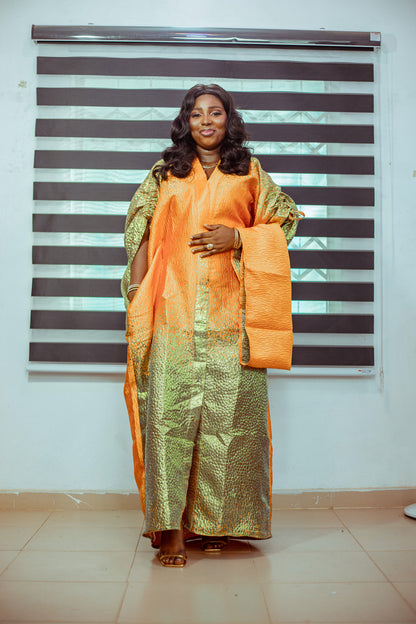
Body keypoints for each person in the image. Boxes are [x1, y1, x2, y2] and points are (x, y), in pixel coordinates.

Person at [121, 84, 303, 567]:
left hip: (231, 316)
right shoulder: (164, 174)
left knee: (229, 423)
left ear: (228, 120)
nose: (206, 121)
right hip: (173, 312)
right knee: (169, 421)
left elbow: (284, 221)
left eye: (216, 113)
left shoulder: (249, 172)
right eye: (197, 113)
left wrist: (238, 237)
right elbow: (140, 231)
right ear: (186, 120)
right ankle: (172, 529)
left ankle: (215, 524)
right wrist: (139, 297)